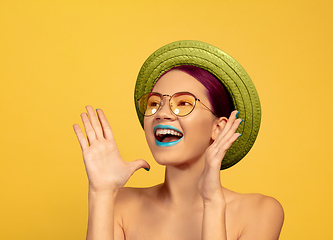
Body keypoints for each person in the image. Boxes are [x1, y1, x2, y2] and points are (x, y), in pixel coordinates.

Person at [73, 41, 284, 240]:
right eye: (154, 103)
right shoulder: (120, 203)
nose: (161, 113)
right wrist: (101, 192)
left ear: (218, 128)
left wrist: (212, 201)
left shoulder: (261, 211)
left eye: (183, 103)